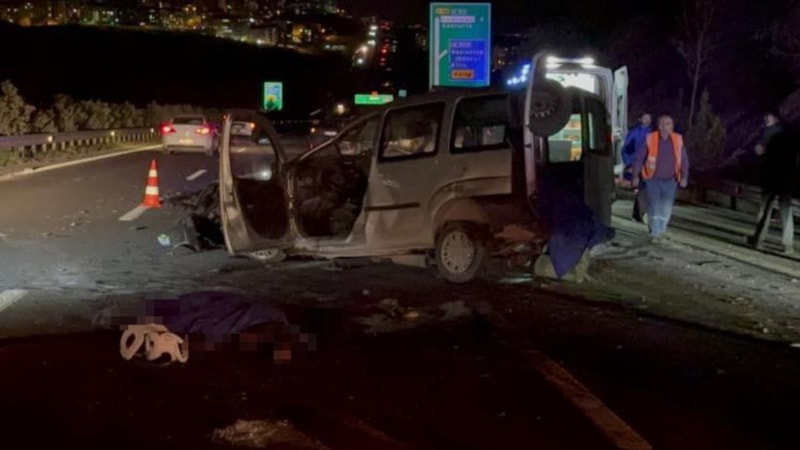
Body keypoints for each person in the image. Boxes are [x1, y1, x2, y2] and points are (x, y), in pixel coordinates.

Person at [632, 115, 690, 242]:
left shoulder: (678, 140)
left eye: (670, 124)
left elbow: (684, 159)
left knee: (666, 207)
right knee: (654, 205)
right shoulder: (651, 139)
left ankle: (661, 230)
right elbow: (639, 158)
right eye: (665, 123)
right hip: (652, 179)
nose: (668, 126)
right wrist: (635, 176)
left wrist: (684, 176)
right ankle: (655, 232)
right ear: (660, 126)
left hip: (671, 180)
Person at [749, 110, 796, 254]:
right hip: (786, 178)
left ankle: (759, 239)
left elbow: (765, 154)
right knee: (785, 211)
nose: (765, 118)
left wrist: (761, 152)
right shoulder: (790, 137)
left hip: (772, 177)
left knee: (766, 209)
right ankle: (788, 244)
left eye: (767, 115)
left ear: (775, 118)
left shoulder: (770, 134)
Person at [622, 113, 652, 223]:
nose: (647, 120)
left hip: (648, 166)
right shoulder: (634, 133)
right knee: (640, 189)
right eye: (645, 118)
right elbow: (626, 149)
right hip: (636, 165)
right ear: (640, 119)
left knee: (643, 189)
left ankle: (637, 214)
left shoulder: (652, 134)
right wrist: (629, 164)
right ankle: (640, 213)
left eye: (649, 118)